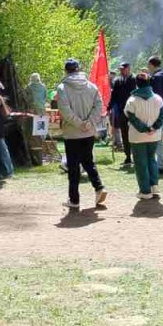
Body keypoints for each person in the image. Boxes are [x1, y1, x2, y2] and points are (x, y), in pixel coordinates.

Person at [55, 58, 108, 211]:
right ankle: (99, 187)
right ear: (78, 69)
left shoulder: (62, 88)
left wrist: (80, 123)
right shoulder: (92, 86)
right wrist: (89, 123)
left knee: (73, 166)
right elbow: (99, 106)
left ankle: (74, 199)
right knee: (88, 161)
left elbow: (65, 111)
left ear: (66, 70)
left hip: (72, 133)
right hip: (88, 132)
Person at [124, 70, 163, 198]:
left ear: (136, 84)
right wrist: (153, 128)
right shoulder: (158, 98)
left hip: (137, 137)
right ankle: (154, 186)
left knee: (140, 163)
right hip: (154, 135)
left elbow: (132, 118)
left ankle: (145, 191)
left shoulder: (132, 100)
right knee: (151, 159)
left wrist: (144, 129)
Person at [147, 56, 163, 177]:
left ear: (151, 65)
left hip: (154, 110)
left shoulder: (155, 78)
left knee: (154, 139)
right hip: (162, 109)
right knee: (158, 139)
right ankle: (160, 165)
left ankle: (157, 165)